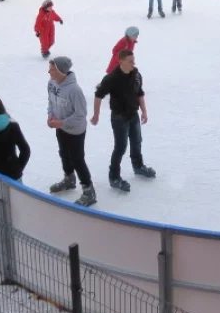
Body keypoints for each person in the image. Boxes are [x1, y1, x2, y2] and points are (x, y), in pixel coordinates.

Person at [91, 49, 155, 193]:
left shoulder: (136, 74)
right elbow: (98, 95)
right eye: (130, 61)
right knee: (120, 147)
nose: (134, 63)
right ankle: (114, 177)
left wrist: (144, 110)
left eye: (134, 61)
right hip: (119, 117)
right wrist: (96, 114)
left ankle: (138, 166)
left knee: (137, 141)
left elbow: (139, 93)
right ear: (121, 61)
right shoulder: (111, 78)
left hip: (133, 115)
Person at [46, 56, 95, 207]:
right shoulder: (51, 83)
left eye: (53, 69)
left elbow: (80, 116)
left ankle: (89, 191)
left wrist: (60, 122)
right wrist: (50, 116)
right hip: (60, 128)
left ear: (61, 71)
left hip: (75, 131)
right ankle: (69, 179)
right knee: (63, 154)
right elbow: (51, 101)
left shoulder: (75, 90)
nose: (49, 72)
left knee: (77, 159)